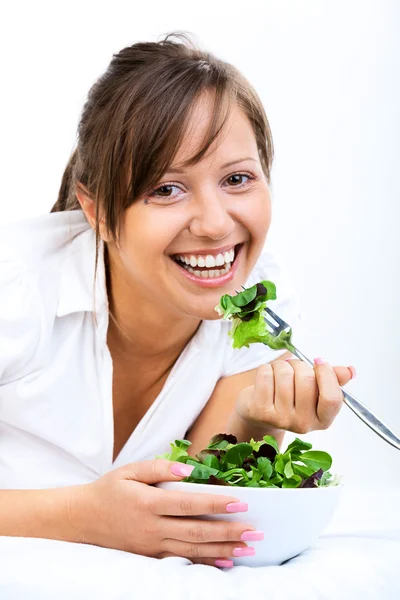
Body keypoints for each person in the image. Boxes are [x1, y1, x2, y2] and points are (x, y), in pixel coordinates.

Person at [0, 32, 355, 569]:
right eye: (166, 189)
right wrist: (81, 516)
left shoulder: (259, 300)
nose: (215, 225)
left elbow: (192, 510)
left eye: (237, 179)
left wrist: (256, 418)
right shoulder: (16, 287)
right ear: (96, 211)